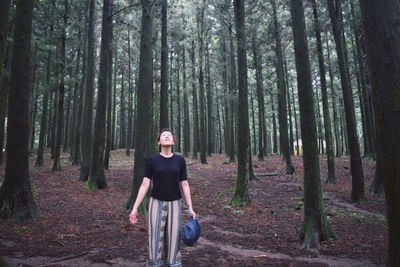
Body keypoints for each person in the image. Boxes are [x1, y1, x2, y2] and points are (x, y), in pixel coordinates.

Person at [129, 128, 196, 267]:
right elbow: (145, 184)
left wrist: (190, 207)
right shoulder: (152, 160)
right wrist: (135, 207)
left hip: (175, 204)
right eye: (163, 135)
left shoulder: (180, 160)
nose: (166, 136)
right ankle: (155, 263)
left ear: (173, 141)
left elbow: (184, 184)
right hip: (155, 203)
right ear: (159, 142)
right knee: (154, 237)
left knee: (174, 239)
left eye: (169, 135)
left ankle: (173, 264)